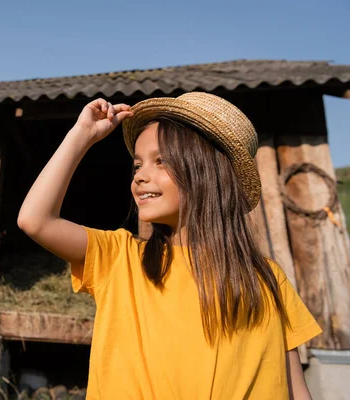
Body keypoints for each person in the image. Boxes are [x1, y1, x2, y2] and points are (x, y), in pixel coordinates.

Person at [17, 92, 322, 399]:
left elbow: (295, 388)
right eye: (137, 166)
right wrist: (81, 135)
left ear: (207, 173)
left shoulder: (266, 279)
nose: (140, 177)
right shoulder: (120, 258)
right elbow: (35, 220)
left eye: (161, 161)